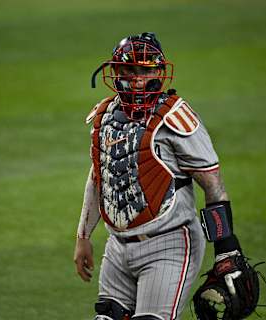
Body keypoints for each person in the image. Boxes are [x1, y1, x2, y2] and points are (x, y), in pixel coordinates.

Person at [73, 32, 254, 320]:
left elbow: (213, 185)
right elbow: (99, 178)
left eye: (144, 70)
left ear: (159, 72)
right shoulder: (104, 117)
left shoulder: (176, 118)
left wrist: (226, 250)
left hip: (168, 245)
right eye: (128, 70)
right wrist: (83, 236)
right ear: (115, 72)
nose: (135, 78)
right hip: (118, 247)